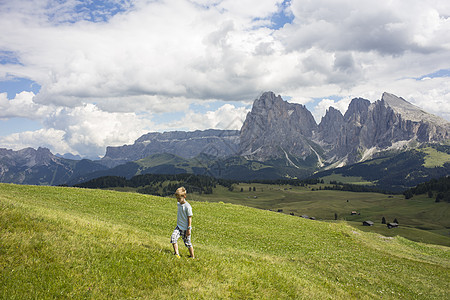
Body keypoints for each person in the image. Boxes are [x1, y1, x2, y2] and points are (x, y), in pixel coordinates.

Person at [170, 187, 195, 258]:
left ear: (184, 197)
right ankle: (177, 254)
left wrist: (189, 229)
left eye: (179, 199)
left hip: (186, 228)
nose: (177, 200)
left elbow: (189, 218)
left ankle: (192, 256)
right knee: (173, 238)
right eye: (177, 198)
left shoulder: (188, 207)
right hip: (179, 227)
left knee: (188, 243)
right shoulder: (179, 204)